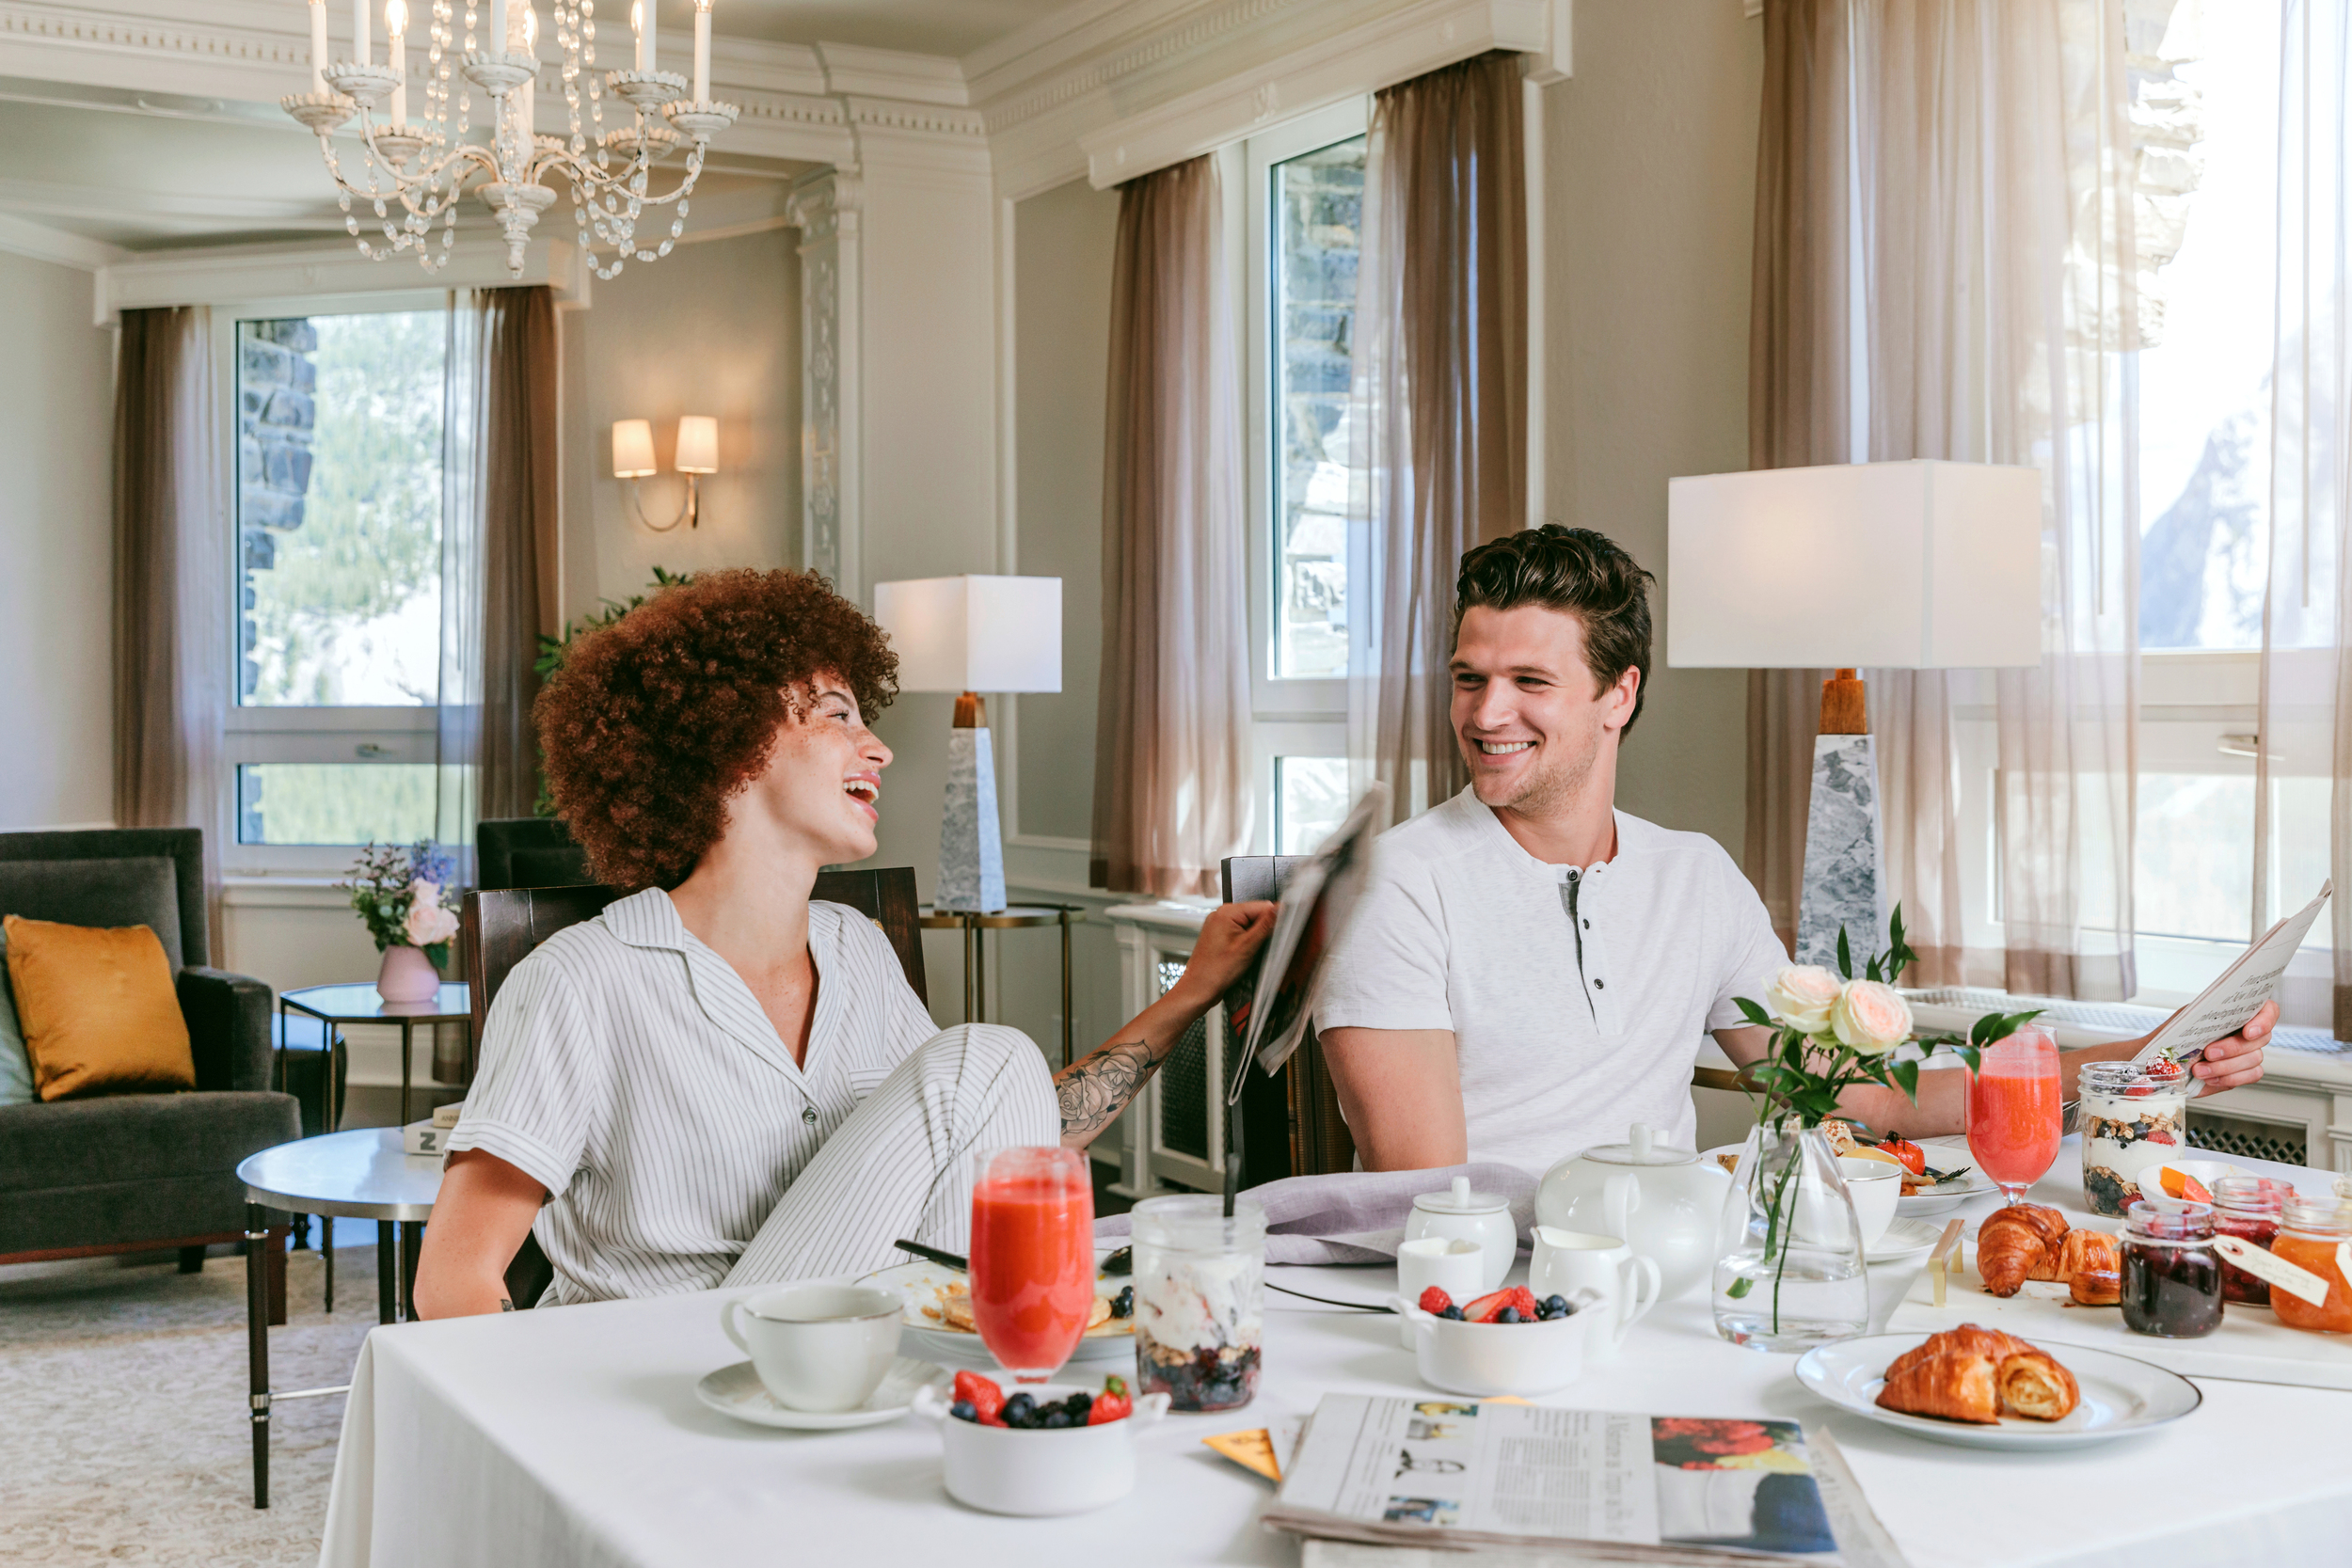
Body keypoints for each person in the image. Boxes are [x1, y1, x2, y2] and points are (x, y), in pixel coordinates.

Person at [414, 568, 1273, 1316]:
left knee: (995, 1074)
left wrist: (1191, 991)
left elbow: (1003, 1131)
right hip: (671, 1376)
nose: (880, 747)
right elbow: (453, 1281)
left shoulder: (856, 950)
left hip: (853, 1357)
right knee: (990, 1054)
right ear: (733, 741)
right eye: (838, 714)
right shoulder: (584, 978)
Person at [1314, 525, 2273, 1176]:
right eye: (1468, 678)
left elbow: (1867, 1098)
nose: (1486, 714)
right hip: (1486, 1315)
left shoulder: (1693, 877)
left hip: (1666, 1281)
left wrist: (2151, 1053)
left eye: (1529, 679)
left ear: (1619, 695)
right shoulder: (1398, 884)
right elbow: (1427, 1203)